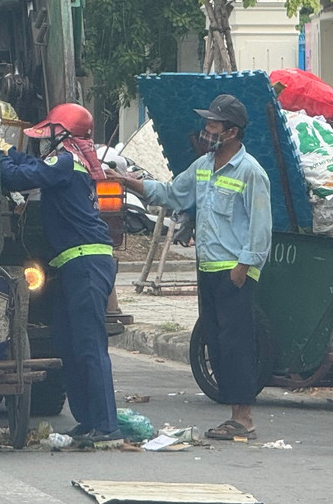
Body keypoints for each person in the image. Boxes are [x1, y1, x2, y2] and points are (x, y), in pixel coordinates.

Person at [110, 94, 271, 441]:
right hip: (208, 267)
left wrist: (243, 268)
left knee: (236, 344)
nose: (206, 130)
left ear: (231, 131)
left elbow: (260, 229)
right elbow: (171, 193)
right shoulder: (203, 166)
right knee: (216, 343)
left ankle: (244, 418)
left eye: (213, 124)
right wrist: (128, 183)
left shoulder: (250, 172)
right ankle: (233, 416)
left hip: (234, 272)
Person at [0, 103, 122, 443]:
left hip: (86, 263)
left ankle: (106, 425)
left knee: (89, 345)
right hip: (74, 265)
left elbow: (20, 176)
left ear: (64, 134)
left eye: (50, 131)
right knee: (69, 344)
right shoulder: (69, 162)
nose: (45, 139)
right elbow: (33, 165)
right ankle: (88, 422)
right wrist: (10, 151)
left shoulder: (66, 161)